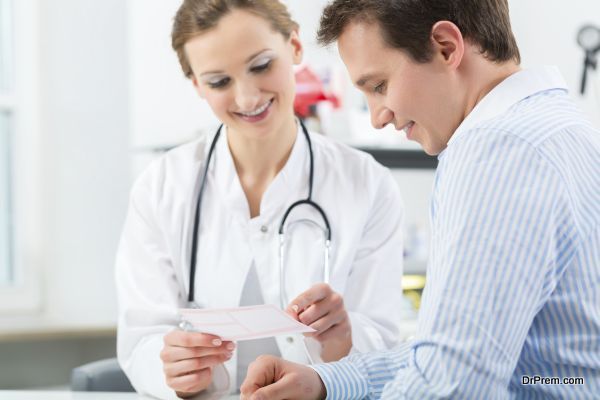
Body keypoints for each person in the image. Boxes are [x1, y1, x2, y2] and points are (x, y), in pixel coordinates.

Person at [240, 0, 600, 399]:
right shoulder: (559, 124)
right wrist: (327, 381)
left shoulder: (497, 150)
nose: (378, 116)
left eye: (379, 86)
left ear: (446, 47)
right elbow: (461, 352)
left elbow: (455, 379)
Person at [115, 0, 406, 399]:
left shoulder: (367, 184)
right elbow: (142, 338)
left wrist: (343, 340)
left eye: (261, 65)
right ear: (197, 84)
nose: (248, 97)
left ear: (295, 48)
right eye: (219, 82)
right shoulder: (161, 187)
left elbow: (386, 343)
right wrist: (171, 369)